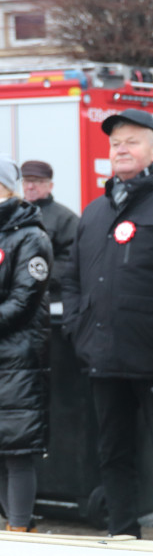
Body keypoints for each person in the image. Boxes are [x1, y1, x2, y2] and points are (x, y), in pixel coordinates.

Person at [63, 109, 153, 540]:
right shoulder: (94, 212)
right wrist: (78, 328)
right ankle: (122, 531)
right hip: (102, 356)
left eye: (132, 141)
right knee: (112, 451)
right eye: (115, 143)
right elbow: (72, 277)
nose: (121, 149)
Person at [0, 157, 53, 532]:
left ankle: (20, 531)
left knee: (17, 452)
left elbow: (22, 304)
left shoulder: (31, 236)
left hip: (17, 361)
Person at [20, 160, 77, 305]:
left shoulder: (66, 218)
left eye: (37, 181)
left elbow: (71, 260)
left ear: (50, 186)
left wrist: (35, 278)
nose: (30, 186)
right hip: (14, 299)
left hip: (51, 300)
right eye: (26, 181)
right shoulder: (12, 214)